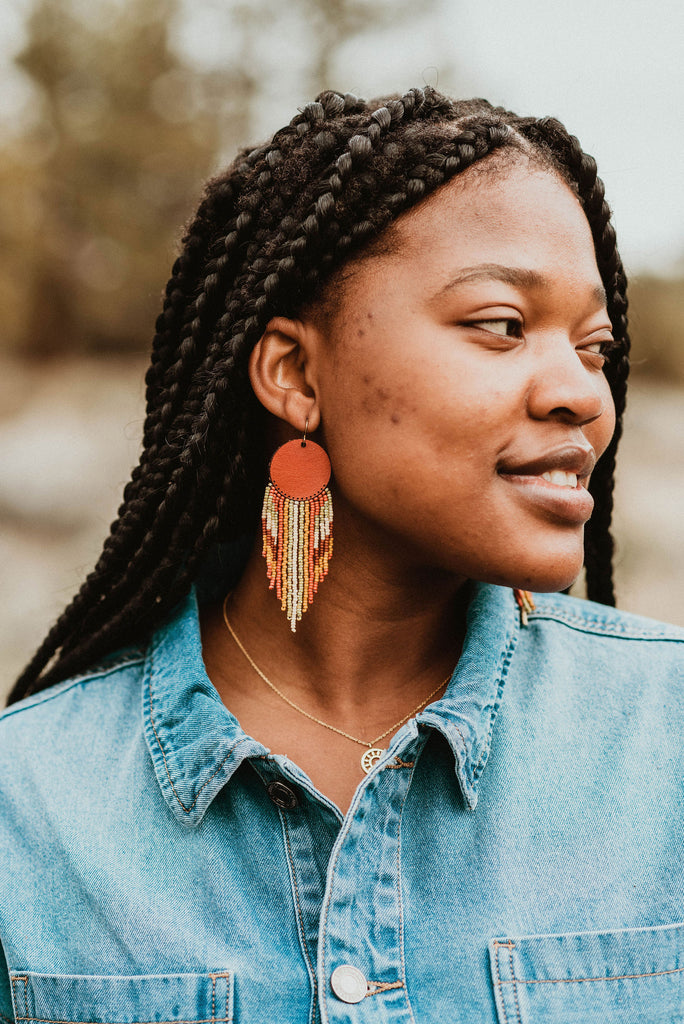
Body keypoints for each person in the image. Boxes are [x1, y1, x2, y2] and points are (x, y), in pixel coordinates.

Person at [1, 87, 682, 1024]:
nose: (580, 394)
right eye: (501, 324)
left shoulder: (665, 745)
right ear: (295, 374)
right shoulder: (29, 807)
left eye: (595, 346)